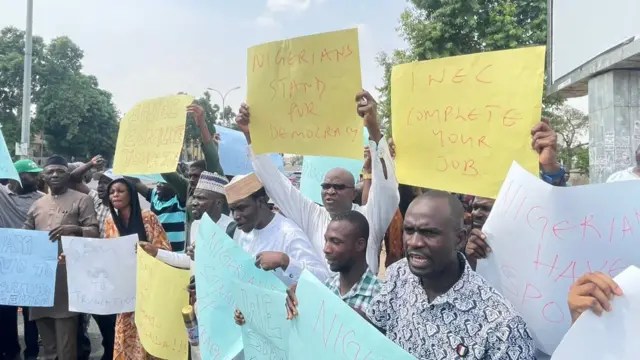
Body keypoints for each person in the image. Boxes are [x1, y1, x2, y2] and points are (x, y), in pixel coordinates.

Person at [235, 90, 399, 274]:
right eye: (326, 186)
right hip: (318, 301)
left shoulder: (368, 218)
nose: (330, 191)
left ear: (353, 194)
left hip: (360, 301)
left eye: (338, 187)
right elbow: (276, 183)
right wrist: (251, 136)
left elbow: (387, 189)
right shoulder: (313, 215)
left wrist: (373, 129)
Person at [361, 191, 536, 359]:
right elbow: (376, 329)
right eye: (409, 230)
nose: (414, 242)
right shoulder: (398, 274)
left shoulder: (503, 327)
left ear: (459, 239)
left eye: (429, 233)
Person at [23, 155, 99, 360]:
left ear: (68, 175)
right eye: (50, 172)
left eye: (60, 171)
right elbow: (24, 238)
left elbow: (94, 232)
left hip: (67, 279)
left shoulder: (82, 199)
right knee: (48, 347)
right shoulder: (38, 205)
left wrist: (74, 228)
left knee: (67, 347)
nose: (55, 175)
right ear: (43, 177)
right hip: (40, 281)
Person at [103, 177, 170, 360]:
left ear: (131, 194)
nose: (115, 195)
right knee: (126, 338)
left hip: (149, 290)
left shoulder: (148, 217)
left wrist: (148, 251)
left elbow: (165, 250)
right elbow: (106, 254)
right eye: (111, 192)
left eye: (120, 191)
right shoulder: (110, 221)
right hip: (125, 292)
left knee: (149, 338)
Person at [224, 173, 329, 285]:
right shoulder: (243, 233)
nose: (236, 216)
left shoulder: (288, 233)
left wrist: (285, 262)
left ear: (260, 202)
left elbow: (323, 278)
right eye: (233, 210)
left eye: (241, 208)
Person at [277, 211, 381, 324]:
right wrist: (300, 300)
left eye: (335, 242)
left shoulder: (380, 297)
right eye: (326, 240)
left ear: (360, 244)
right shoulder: (327, 286)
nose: (326, 249)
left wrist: (368, 326)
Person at [67, 158, 118, 360]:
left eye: (109, 183)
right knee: (95, 313)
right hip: (93, 268)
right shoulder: (96, 200)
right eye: (101, 182)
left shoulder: (128, 211)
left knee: (113, 317)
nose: (103, 187)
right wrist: (90, 164)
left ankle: (112, 350)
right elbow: (72, 179)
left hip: (116, 272)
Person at [139, 171, 236, 270]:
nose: (194, 203)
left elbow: (236, 269)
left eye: (201, 198)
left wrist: (203, 259)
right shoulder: (196, 225)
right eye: (194, 197)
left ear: (218, 203)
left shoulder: (231, 229)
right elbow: (189, 261)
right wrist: (156, 252)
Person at [161, 103, 226, 247]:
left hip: (219, 250)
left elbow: (212, 159)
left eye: (196, 176)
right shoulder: (188, 189)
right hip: (192, 249)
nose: (191, 180)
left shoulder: (218, 189)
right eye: (189, 176)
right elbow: (168, 173)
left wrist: (201, 123)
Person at [0, 159, 43, 360]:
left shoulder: (42, 199)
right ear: (16, 175)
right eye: (30, 174)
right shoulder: (2, 194)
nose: (35, 178)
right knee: (5, 311)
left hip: (32, 263)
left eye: (36, 174)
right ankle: (10, 350)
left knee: (31, 313)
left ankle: (32, 351)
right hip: (6, 263)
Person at [129, 179, 186, 252]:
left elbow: (177, 180)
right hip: (156, 253)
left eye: (162, 183)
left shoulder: (179, 202)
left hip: (175, 256)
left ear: (174, 185)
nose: (158, 185)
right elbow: (135, 182)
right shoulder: (154, 196)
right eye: (158, 181)